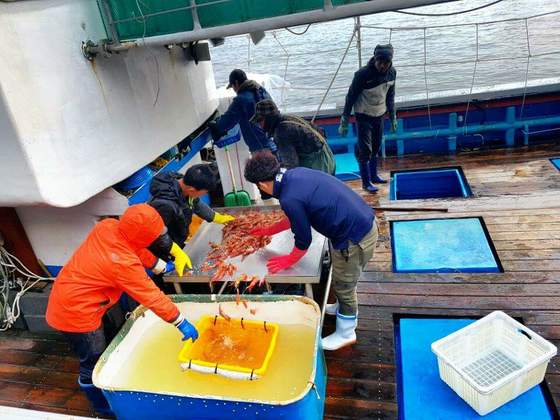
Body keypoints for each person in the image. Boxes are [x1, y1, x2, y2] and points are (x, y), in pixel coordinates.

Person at [46, 204, 198, 414]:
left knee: (103, 347)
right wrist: (181, 322)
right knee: (91, 359)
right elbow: (151, 296)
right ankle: (101, 405)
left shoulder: (108, 226)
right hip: (76, 313)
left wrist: (159, 266)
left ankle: (103, 389)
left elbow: (133, 246)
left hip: (72, 294)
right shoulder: (122, 263)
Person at [244, 152, 377, 351]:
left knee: (345, 286)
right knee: (344, 281)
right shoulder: (294, 175)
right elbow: (297, 215)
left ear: (261, 184)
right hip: (363, 224)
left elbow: (303, 240)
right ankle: (342, 309)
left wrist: (287, 260)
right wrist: (267, 230)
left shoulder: (289, 197)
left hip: (354, 240)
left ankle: (346, 333)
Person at [339, 44, 397, 193]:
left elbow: (390, 96)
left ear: (390, 62)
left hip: (379, 114)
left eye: (386, 62)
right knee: (365, 150)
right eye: (380, 62)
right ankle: (366, 182)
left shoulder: (392, 73)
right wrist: (344, 119)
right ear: (375, 59)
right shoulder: (362, 74)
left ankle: (374, 175)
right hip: (363, 115)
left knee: (376, 146)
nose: (382, 65)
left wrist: (393, 116)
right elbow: (350, 97)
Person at [251, 99, 336, 175]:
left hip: (320, 166)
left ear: (269, 118)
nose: (259, 125)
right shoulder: (289, 118)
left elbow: (292, 166)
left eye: (260, 121)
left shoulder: (281, 132)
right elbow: (321, 132)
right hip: (328, 158)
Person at [208, 69, 277, 153]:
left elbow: (226, 123)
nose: (234, 90)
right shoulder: (260, 90)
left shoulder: (241, 99)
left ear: (236, 83)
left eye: (232, 86)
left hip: (260, 149)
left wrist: (214, 124)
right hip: (273, 142)